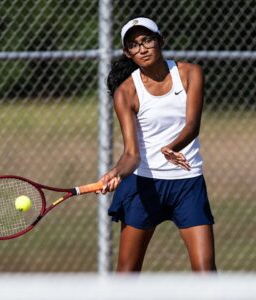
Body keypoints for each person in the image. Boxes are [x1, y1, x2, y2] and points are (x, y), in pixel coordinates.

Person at [99, 17, 216, 272]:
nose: (142, 49)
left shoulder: (190, 74)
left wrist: (172, 147)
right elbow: (131, 154)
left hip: (188, 184)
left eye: (147, 40)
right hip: (143, 185)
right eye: (133, 45)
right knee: (127, 273)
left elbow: (192, 126)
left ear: (160, 41)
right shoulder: (125, 93)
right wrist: (117, 172)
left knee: (206, 270)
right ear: (127, 53)